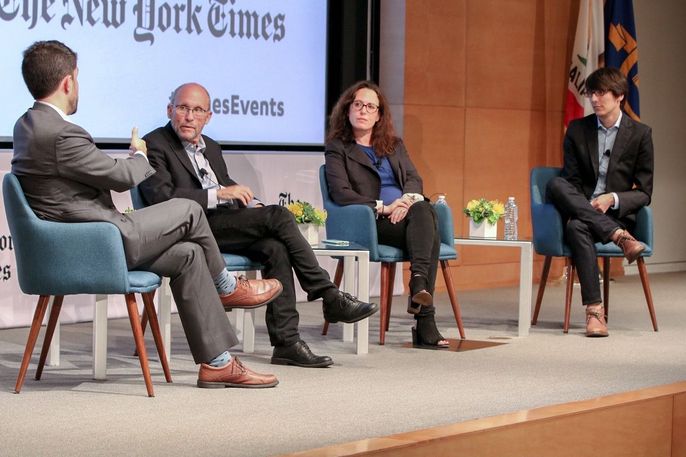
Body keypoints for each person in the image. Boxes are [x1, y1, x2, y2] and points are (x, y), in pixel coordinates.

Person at [11, 40, 283, 388]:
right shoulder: (62, 133)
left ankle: (218, 363)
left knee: (189, 254)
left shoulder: (27, 124)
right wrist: (140, 154)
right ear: (67, 82)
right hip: (97, 244)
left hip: (84, 238)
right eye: (77, 79)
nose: (78, 86)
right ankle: (228, 287)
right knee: (187, 209)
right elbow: (122, 178)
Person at [139, 83, 378, 368]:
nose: (189, 116)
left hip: (221, 223)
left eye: (197, 110)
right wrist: (218, 195)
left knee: (275, 247)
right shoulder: (155, 144)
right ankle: (327, 294)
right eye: (183, 108)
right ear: (170, 110)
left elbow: (226, 186)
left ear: (208, 116)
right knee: (279, 217)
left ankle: (287, 342)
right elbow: (160, 198)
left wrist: (253, 204)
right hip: (190, 229)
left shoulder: (211, 147)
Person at [325, 81, 449, 349]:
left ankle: (418, 286)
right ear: (347, 110)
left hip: (406, 215)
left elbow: (414, 178)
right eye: (358, 105)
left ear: (379, 115)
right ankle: (423, 311)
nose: (363, 111)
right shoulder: (338, 147)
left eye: (370, 106)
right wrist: (384, 207)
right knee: (430, 228)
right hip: (371, 221)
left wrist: (404, 202)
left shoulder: (394, 145)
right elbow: (340, 193)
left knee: (423, 210)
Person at [546, 67, 653, 337]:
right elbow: (569, 180)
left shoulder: (640, 134)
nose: (594, 98)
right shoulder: (578, 130)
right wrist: (587, 204)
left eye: (601, 92)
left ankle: (594, 312)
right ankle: (619, 238)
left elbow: (644, 192)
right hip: (585, 208)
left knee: (575, 228)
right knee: (556, 184)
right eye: (592, 92)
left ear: (619, 97)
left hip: (615, 214)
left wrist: (612, 198)